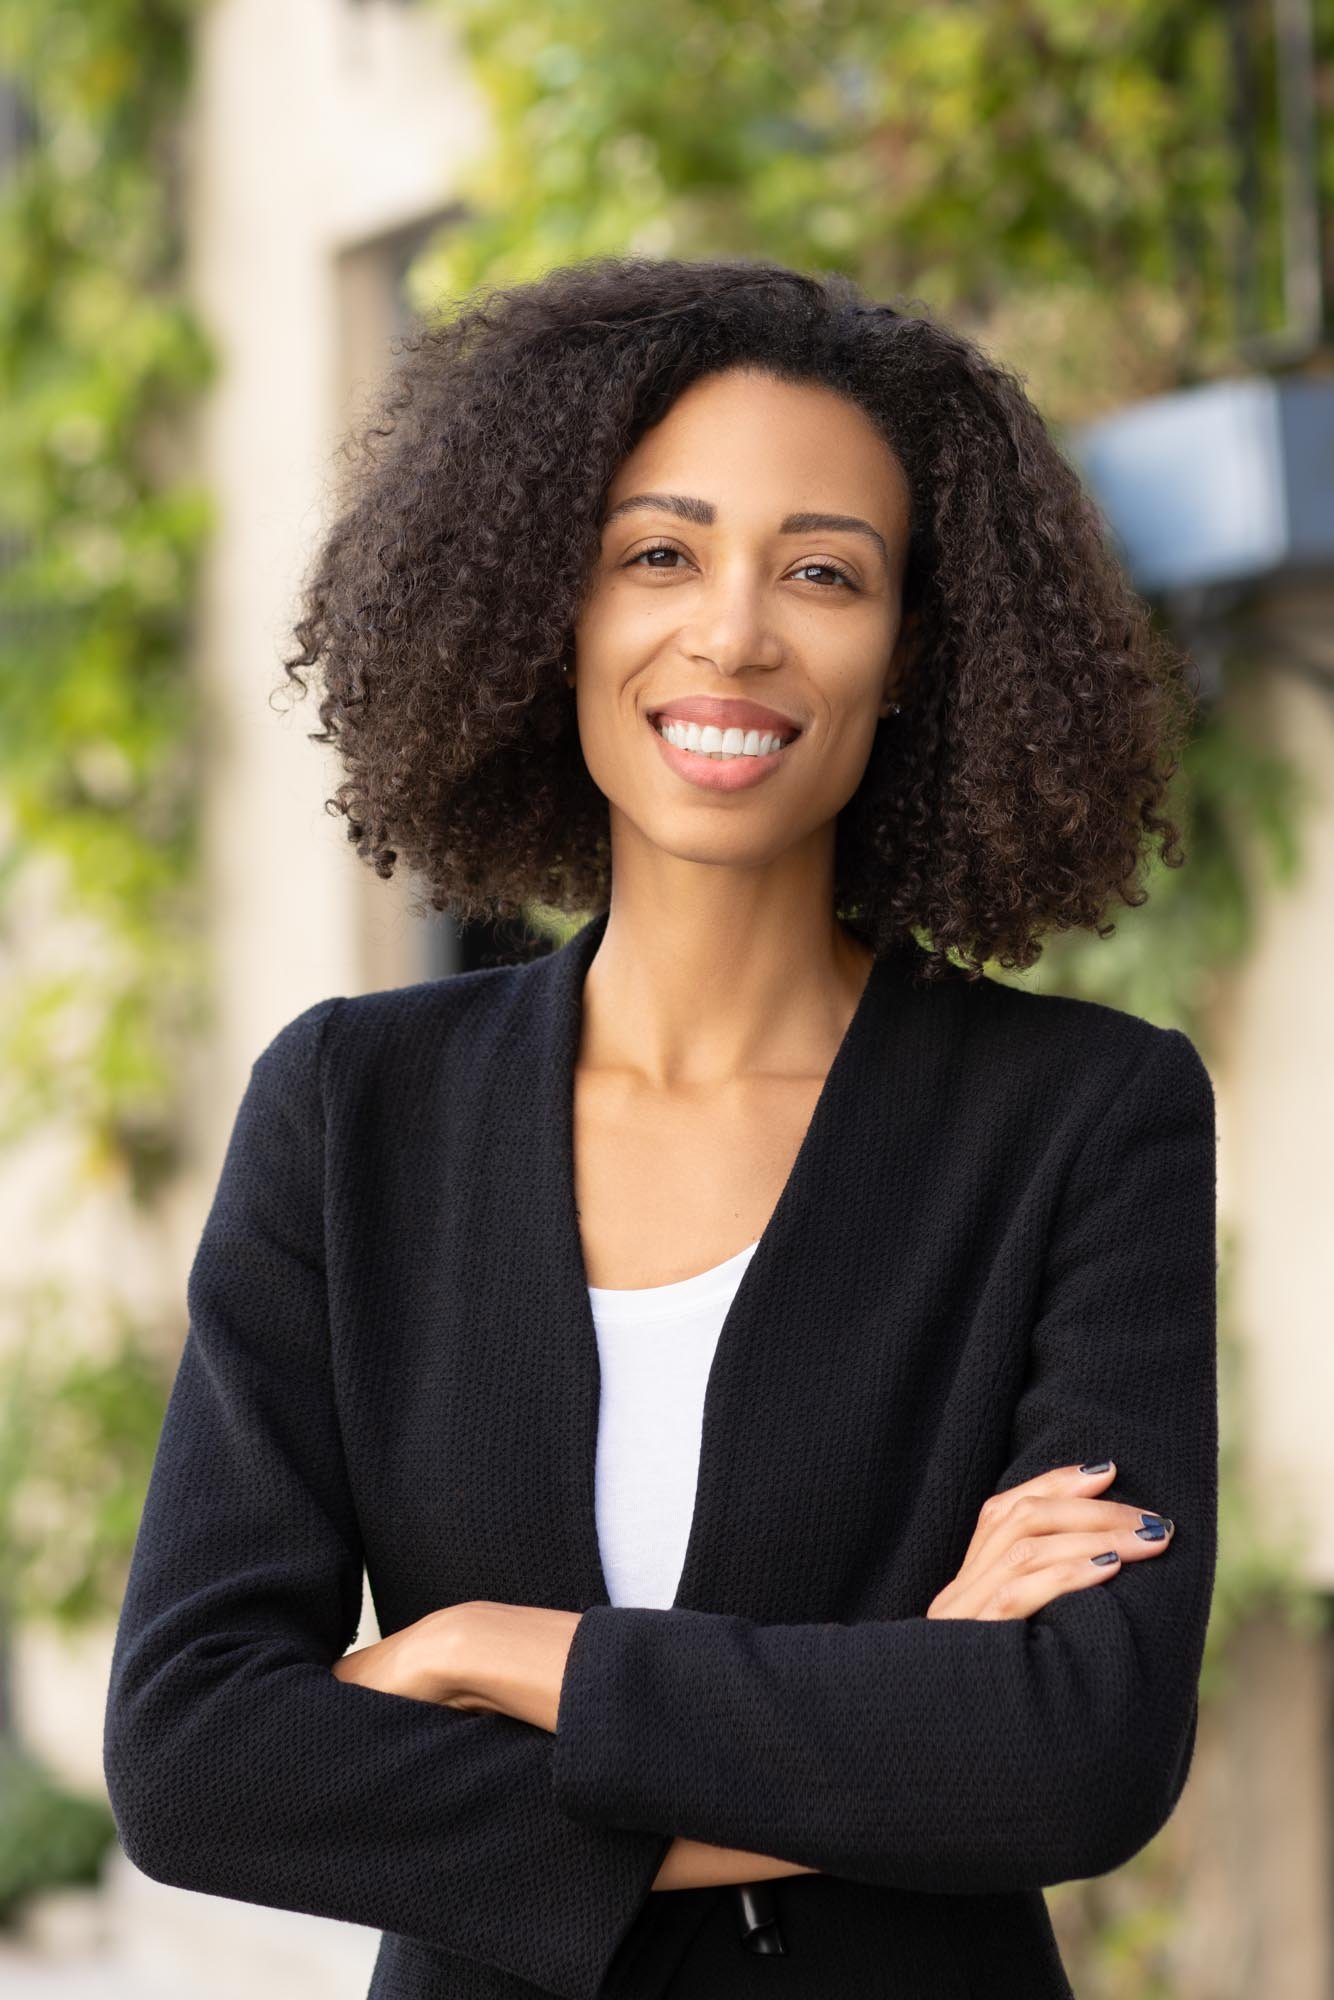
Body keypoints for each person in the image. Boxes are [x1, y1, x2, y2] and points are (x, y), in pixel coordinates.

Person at [103, 257, 1217, 2000]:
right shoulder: (351, 1110)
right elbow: (199, 1760)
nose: (734, 633)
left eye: (824, 573)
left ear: (913, 647)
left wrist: (501, 1652)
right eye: (658, 554)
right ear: (556, 605)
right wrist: (895, 1700)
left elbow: (1079, 1747)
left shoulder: (1080, 1116)